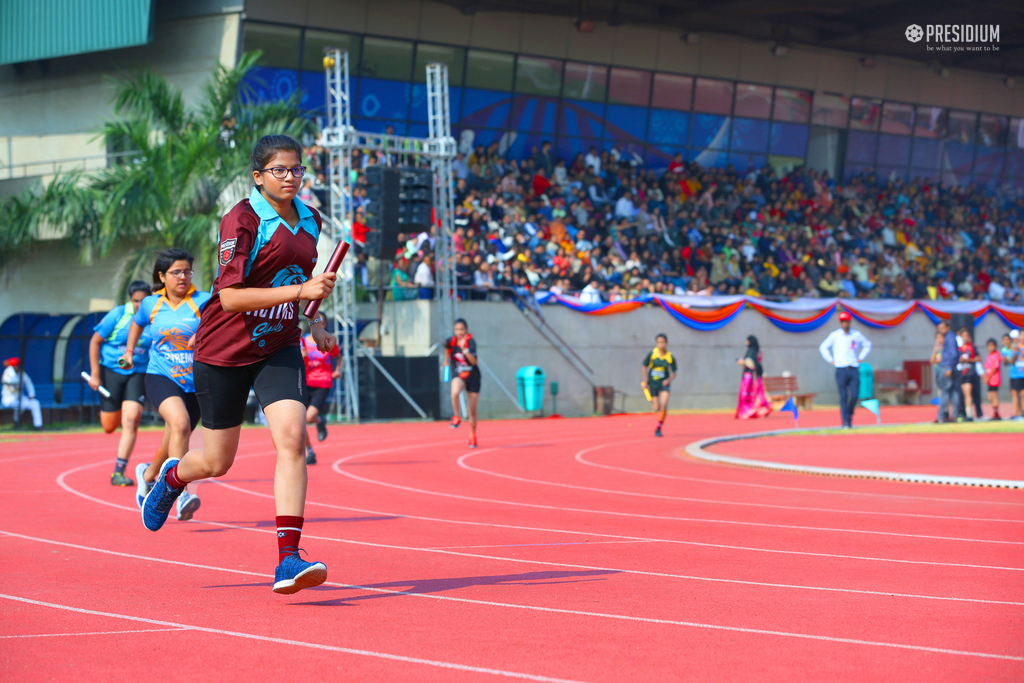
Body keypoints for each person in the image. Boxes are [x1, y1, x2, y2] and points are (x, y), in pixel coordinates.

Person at [141, 135, 337, 595]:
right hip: (224, 351)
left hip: (279, 346)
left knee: (292, 437)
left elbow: (299, 283)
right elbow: (229, 297)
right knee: (215, 461)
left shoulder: (311, 219)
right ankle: (171, 477)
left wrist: (315, 323)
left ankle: (288, 558)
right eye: (280, 171)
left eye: (297, 170)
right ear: (258, 176)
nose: (291, 178)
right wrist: (299, 294)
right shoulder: (242, 218)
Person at [121, 249, 209, 519]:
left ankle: (147, 474)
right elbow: (137, 324)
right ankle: (181, 494)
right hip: (161, 376)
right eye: (176, 272)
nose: (183, 277)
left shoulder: (203, 301)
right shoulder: (150, 304)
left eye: (187, 271)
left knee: (173, 439)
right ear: (162, 276)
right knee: (181, 424)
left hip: (194, 382)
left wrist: (203, 335)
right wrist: (128, 350)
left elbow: (219, 327)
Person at [88, 281, 155, 486]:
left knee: (131, 419)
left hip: (137, 373)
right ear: (130, 300)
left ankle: (118, 471)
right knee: (109, 426)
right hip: (111, 373)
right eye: (135, 301)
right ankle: (113, 413)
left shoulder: (154, 317)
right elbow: (95, 341)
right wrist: (95, 374)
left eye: (143, 301)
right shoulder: (118, 315)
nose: (138, 304)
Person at [818, 310, 871, 428]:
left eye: (846, 321)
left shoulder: (856, 335)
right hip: (841, 369)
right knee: (843, 396)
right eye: (842, 322)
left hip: (853, 368)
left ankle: (849, 414)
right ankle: (845, 421)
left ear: (849, 321)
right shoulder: (835, 335)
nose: (845, 324)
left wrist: (860, 357)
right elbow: (823, 347)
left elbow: (867, 345)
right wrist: (831, 360)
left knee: (854, 395)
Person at [301, 322, 340, 464]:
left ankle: (319, 420)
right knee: (299, 422)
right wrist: (301, 356)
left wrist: (337, 370)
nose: (320, 323)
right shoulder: (302, 341)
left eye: (322, 321)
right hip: (305, 383)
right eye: (317, 320)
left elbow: (338, 356)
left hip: (322, 383)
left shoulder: (328, 340)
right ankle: (309, 452)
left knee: (309, 417)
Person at [445, 318, 480, 448]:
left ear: (466, 330)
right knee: (454, 392)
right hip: (459, 374)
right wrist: (446, 363)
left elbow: (474, 362)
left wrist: (464, 348)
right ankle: (456, 416)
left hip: (473, 376)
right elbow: (446, 352)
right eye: (457, 329)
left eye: (462, 329)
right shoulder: (450, 342)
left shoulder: (471, 342)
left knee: (472, 410)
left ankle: (472, 435)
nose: (459, 332)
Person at [642, 333, 677, 437]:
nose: (660, 344)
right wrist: (645, 381)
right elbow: (644, 366)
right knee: (656, 408)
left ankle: (658, 427)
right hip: (653, 383)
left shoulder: (670, 357)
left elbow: (674, 372)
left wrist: (668, 379)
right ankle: (653, 401)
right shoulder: (652, 354)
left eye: (662, 342)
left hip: (664, 384)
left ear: (666, 343)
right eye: (658, 342)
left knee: (664, 405)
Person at [735, 335, 772, 420]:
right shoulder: (757, 351)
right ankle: (761, 409)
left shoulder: (751, 351)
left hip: (750, 377)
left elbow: (751, 364)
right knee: (758, 394)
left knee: (747, 396)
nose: (746, 342)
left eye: (747, 341)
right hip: (756, 376)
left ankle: (749, 411)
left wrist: (742, 362)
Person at [1, 358, 42, 430]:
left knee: (35, 403)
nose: (17, 367)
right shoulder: (8, 372)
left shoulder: (21, 373)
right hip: (9, 398)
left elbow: (29, 383)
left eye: (17, 365)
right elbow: (9, 381)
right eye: (15, 366)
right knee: (19, 404)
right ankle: (16, 422)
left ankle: (38, 425)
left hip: (20, 397)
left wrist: (31, 395)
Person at [935, 320, 959, 423]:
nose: (940, 330)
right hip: (950, 367)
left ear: (948, 328)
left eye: (942, 328)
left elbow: (953, 354)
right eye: (939, 328)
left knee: (945, 393)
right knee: (953, 392)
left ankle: (941, 416)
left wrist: (949, 367)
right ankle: (954, 415)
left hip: (947, 368)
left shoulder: (950, 338)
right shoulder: (950, 337)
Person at [957, 327, 979, 422]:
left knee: (967, 393)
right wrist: (960, 360)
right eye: (963, 336)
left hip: (970, 372)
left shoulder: (972, 347)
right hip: (961, 373)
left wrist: (968, 360)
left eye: (967, 336)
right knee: (962, 394)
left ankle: (969, 414)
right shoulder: (959, 349)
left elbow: (978, 358)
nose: (965, 337)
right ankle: (963, 413)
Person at [1003, 331, 1024, 420]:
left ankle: (1022, 412)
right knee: (1014, 393)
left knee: (1023, 394)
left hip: (1022, 374)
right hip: (1014, 375)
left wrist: (1018, 350)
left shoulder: (1018, 348)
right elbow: (1010, 361)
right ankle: (1017, 413)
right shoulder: (1012, 348)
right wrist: (1006, 359)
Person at [983, 338, 1001, 421]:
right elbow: (986, 367)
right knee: (990, 397)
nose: (990, 347)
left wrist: (988, 377)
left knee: (994, 395)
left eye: (992, 345)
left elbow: (994, 368)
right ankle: (994, 411)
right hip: (989, 379)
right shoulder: (988, 355)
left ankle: (996, 414)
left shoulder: (996, 355)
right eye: (989, 346)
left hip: (994, 378)